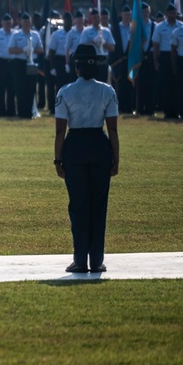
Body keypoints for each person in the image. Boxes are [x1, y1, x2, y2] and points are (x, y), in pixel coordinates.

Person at [54, 43, 120, 273]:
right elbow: (112, 130)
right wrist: (116, 159)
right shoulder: (107, 91)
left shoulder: (65, 91)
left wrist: (57, 160)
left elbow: (60, 131)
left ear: (77, 67)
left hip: (75, 148)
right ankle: (97, 260)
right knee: (99, 205)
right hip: (100, 146)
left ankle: (80, 260)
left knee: (79, 206)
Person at [8, 12, 44, 119]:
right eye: (24, 22)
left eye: (28, 22)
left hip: (31, 62)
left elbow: (41, 49)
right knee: (20, 88)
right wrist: (22, 50)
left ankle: (29, 112)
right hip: (20, 63)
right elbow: (10, 50)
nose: (26, 24)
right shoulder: (16, 34)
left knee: (31, 87)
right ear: (20, 22)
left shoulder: (35, 34)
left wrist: (33, 50)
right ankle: (21, 112)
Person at [153, 3, 180, 119]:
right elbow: (156, 46)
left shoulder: (181, 26)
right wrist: (156, 62)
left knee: (177, 85)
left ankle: (177, 110)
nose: (172, 15)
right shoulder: (159, 27)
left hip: (177, 56)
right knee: (165, 85)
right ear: (166, 14)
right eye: (170, 13)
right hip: (164, 57)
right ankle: (167, 111)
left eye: (174, 13)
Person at [78, 8, 115, 82]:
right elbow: (81, 47)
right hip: (91, 61)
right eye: (94, 17)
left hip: (103, 61)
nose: (96, 19)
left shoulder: (106, 31)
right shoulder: (86, 31)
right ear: (91, 18)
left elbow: (112, 48)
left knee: (103, 82)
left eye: (97, 17)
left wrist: (103, 42)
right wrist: (92, 41)